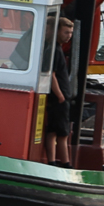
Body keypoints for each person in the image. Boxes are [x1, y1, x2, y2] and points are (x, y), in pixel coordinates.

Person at [44, 17, 76, 165]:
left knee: (53, 131)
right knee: (62, 133)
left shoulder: (53, 48)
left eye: (70, 33)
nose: (68, 36)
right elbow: (52, 75)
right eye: (65, 32)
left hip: (58, 97)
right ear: (57, 32)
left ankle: (53, 161)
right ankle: (65, 163)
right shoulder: (55, 50)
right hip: (59, 98)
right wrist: (60, 95)